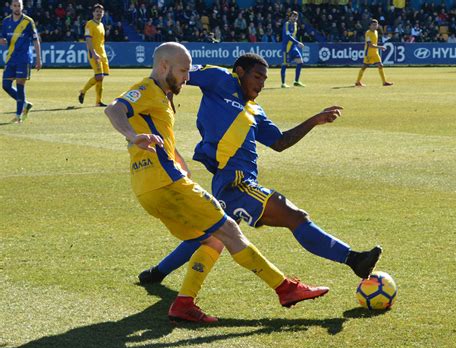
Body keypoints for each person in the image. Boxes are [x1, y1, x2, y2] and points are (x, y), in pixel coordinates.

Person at [105, 42, 329, 324]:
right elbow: (114, 109)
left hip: (147, 189)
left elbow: (161, 139)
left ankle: (184, 302)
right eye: (184, 71)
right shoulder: (148, 89)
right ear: (164, 66)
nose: (188, 77)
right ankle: (285, 289)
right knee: (229, 230)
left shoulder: (161, 97)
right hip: (166, 184)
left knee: (212, 238)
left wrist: (179, 165)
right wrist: (130, 135)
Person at [139, 53, 382, 289]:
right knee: (294, 216)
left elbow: (280, 143)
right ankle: (353, 259)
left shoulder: (255, 111)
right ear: (240, 72)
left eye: (265, 80)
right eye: (257, 77)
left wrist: (314, 120)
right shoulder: (219, 78)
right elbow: (178, 73)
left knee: (211, 233)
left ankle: (158, 272)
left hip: (237, 181)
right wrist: (166, 100)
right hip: (236, 182)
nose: (261, 84)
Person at [1, 0, 41, 124]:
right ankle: (25, 104)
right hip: (11, 58)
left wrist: (39, 58)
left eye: (19, 5)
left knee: (20, 85)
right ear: (11, 7)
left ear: (22, 7)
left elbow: (35, 40)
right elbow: (2, 37)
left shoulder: (28, 21)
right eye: (15, 5)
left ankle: (19, 116)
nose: (17, 8)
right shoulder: (6, 21)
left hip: (23, 59)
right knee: (6, 85)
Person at [78, 3, 108, 107]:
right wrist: (94, 53)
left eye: (100, 12)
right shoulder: (90, 24)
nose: (99, 13)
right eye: (97, 11)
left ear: (103, 13)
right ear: (93, 13)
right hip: (94, 53)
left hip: (102, 54)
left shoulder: (102, 25)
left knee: (101, 78)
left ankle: (98, 102)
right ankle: (83, 91)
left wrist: (102, 54)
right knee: (99, 76)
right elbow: (88, 39)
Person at [355, 19, 393, 87]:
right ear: (370, 26)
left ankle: (384, 82)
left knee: (380, 65)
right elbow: (370, 45)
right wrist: (380, 47)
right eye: (373, 25)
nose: (375, 26)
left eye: (376, 25)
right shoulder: (368, 33)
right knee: (364, 67)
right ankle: (358, 82)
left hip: (375, 52)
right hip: (369, 53)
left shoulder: (376, 32)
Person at [281, 11, 305, 88]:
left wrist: (296, 43)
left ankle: (296, 81)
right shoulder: (287, 24)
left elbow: (293, 36)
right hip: (286, 47)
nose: (295, 18)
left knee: (300, 62)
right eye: (293, 16)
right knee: (285, 64)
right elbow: (288, 36)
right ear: (290, 17)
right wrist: (298, 42)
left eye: (296, 17)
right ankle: (283, 83)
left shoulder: (295, 24)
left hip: (293, 47)